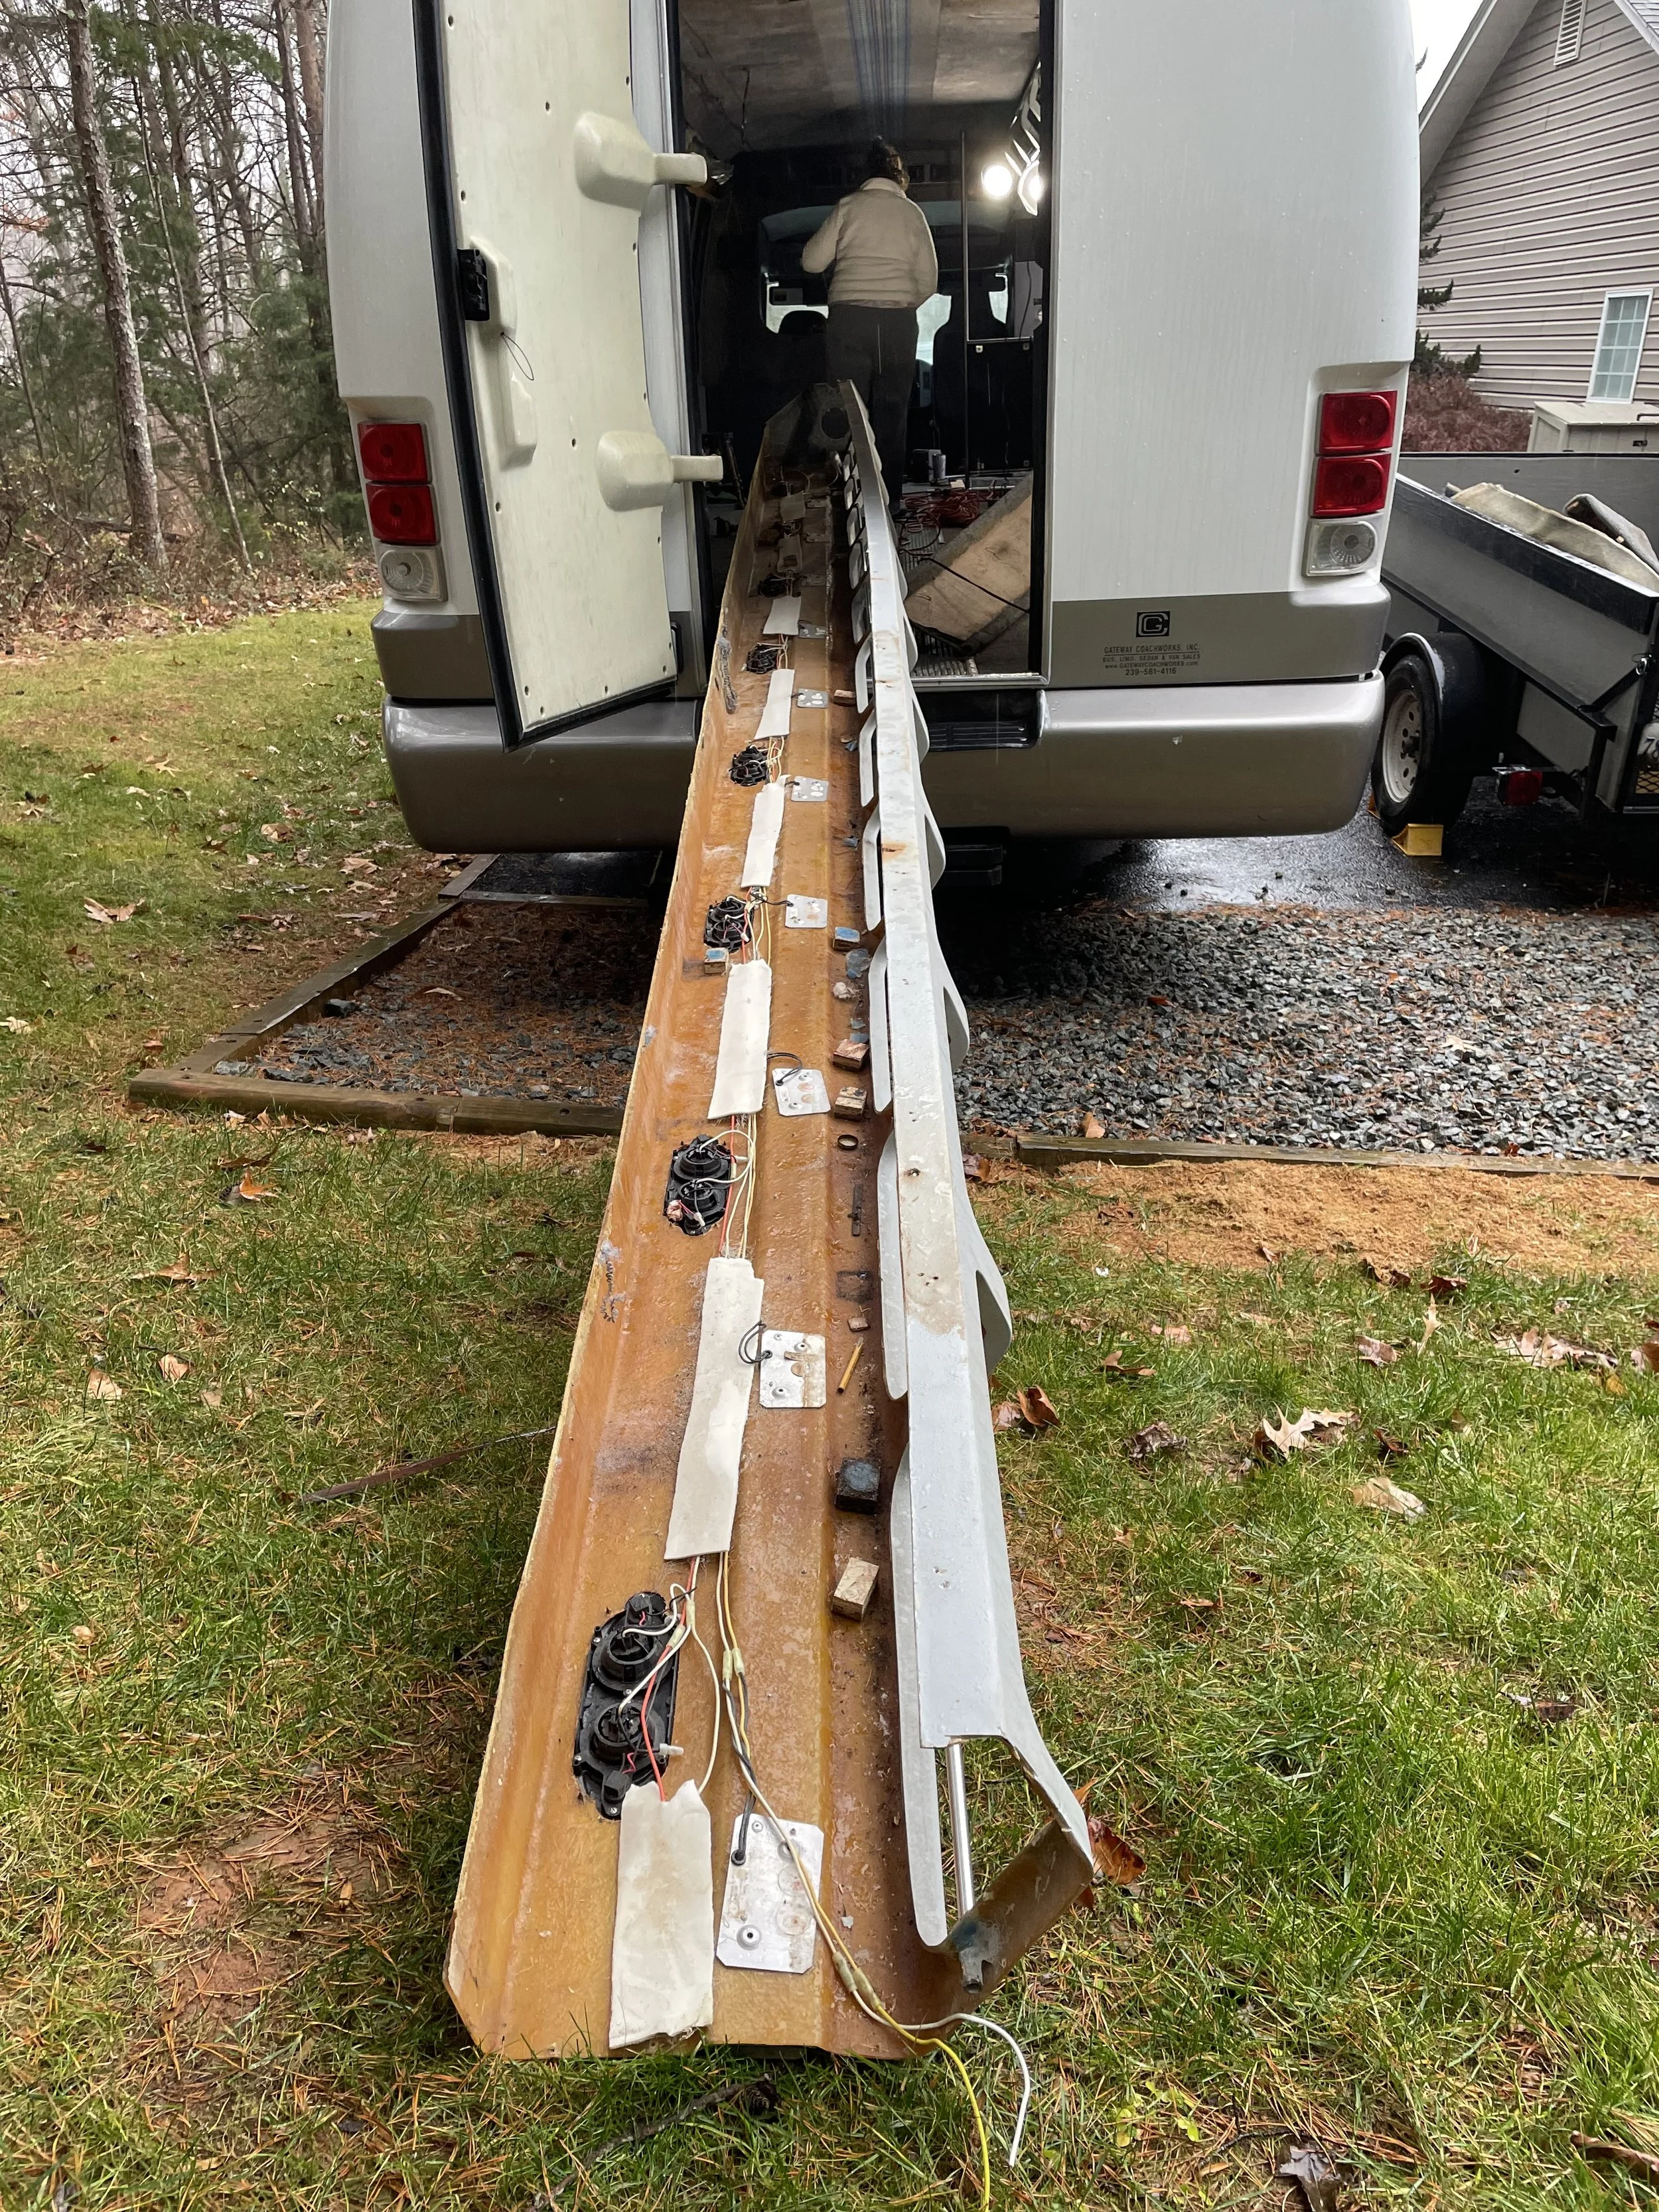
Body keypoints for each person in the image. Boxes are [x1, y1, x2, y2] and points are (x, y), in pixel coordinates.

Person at [802, 139, 938, 505]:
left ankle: (848, 504)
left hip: (850, 321)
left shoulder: (848, 207)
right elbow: (929, 281)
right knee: (892, 415)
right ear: (899, 175)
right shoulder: (912, 214)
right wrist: (900, 303)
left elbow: (812, 262)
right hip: (897, 325)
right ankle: (888, 502)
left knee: (846, 414)